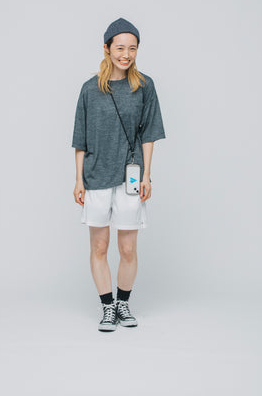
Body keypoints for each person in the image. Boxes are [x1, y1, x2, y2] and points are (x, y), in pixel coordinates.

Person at [71, 17, 166, 332]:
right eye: (120, 48)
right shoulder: (89, 89)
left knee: (127, 248)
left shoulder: (144, 86)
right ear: (107, 48)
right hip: (96, 176)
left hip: (131, 178)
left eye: (132, 48)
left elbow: (149, 134)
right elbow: (80, 139)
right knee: (99, 247)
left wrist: (147, 175)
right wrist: (78, 179)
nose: (126, 54)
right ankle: (107, 306)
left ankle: (123, 303)